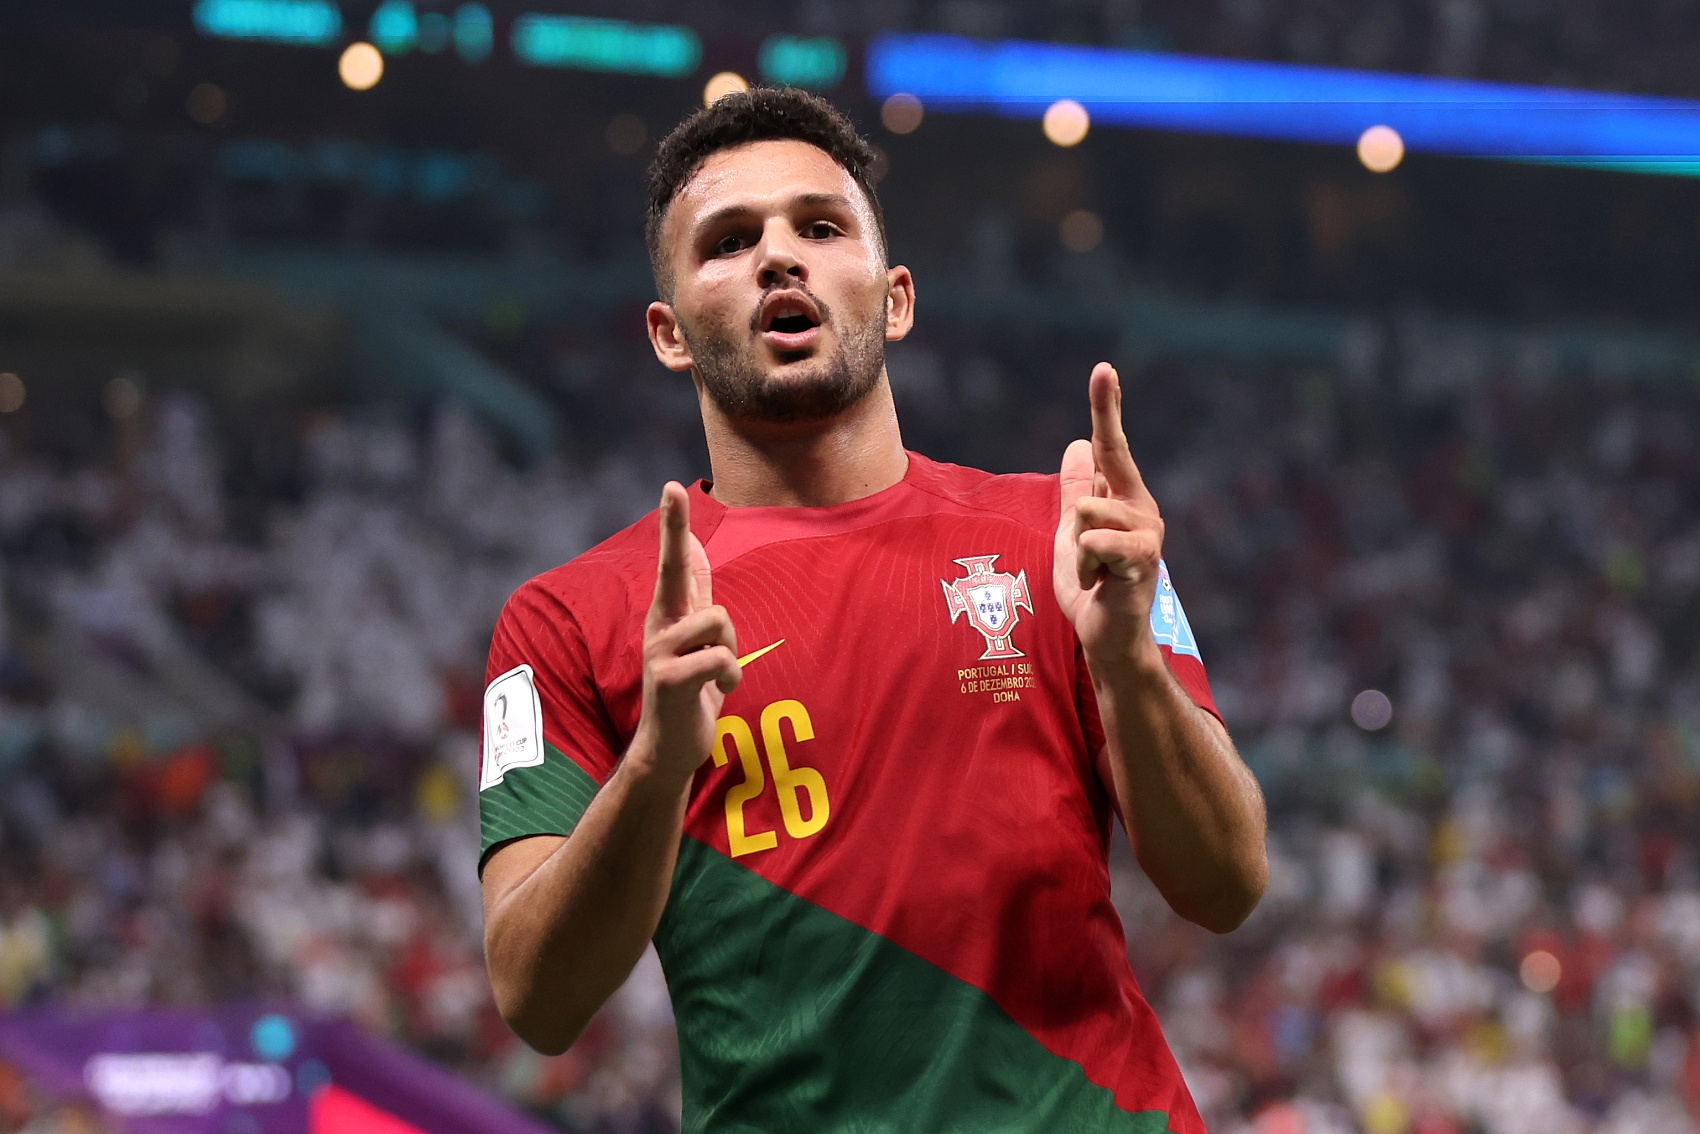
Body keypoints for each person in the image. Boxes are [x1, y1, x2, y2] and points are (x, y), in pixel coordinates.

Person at [478, 88, 1268, 1132]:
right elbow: (535, 1000)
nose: (778, 257)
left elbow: (1227, 884)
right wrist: (657, 767)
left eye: (819, 226)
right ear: (668, 335)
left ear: (895, 299)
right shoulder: (569, 621)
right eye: (728, 241)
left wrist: (1126, 665)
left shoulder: (1072, 538)